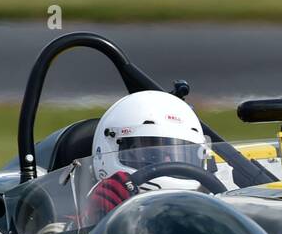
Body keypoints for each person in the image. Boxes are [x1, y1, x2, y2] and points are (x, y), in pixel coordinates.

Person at [86, 90, 214, 218]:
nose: (169, 164)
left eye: (182, 155)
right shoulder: (79, 219)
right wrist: (94, 219)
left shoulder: (205, 214)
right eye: (152, 154)